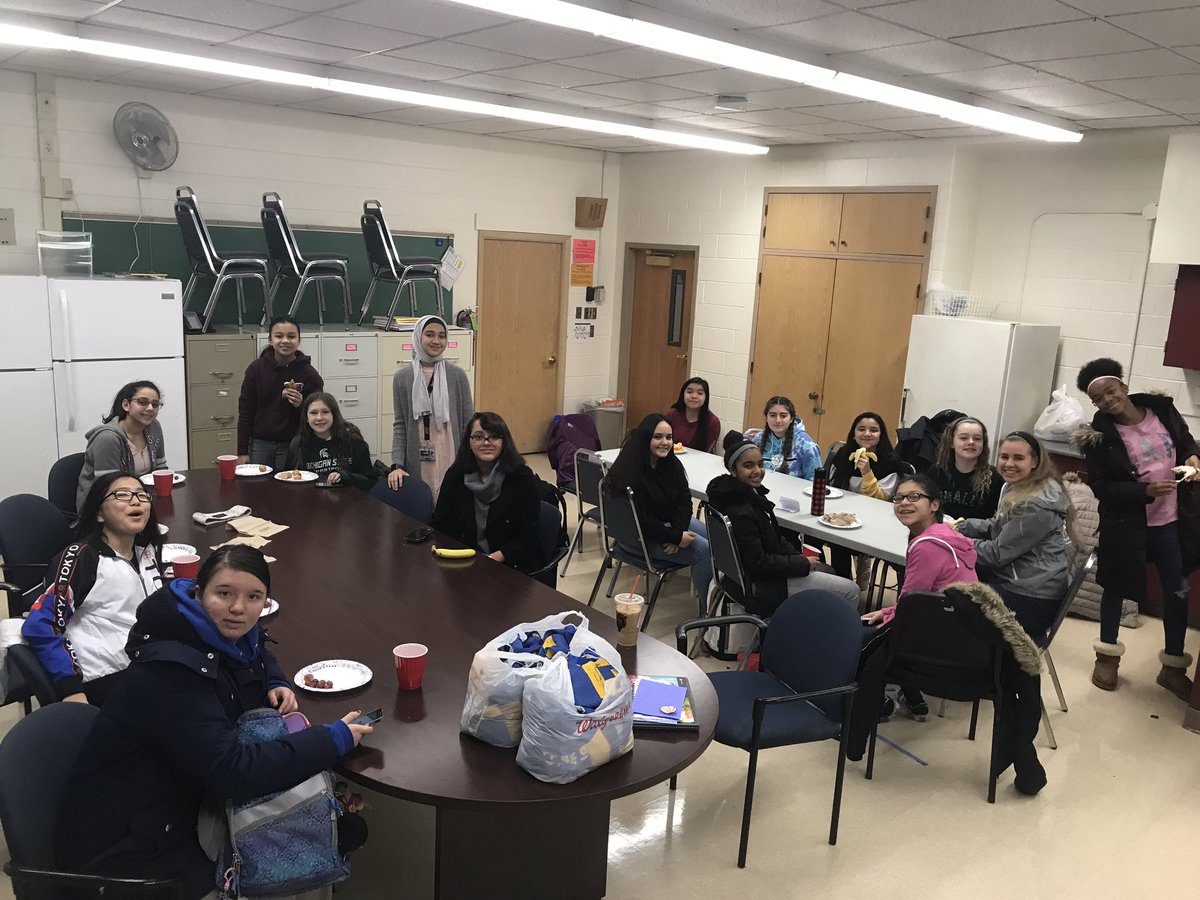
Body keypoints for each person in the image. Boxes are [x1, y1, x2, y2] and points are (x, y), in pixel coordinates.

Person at [56, 546, 374, 899]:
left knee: (328, 830)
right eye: (224, 593)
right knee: (304, 857)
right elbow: (232, 771)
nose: (239, 608)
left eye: (254, 597)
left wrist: (274, 678)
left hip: (186, 799)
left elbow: (256, 648)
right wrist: (329, 741)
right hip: (135, 851)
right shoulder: (169, 672)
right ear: (199, 592)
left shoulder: (209, 635)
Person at [1073, 357, 1200, 699]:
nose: (1107, 400)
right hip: (1126, 524)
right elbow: (1102, 486)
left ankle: (1173, 666)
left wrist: (1192, 456)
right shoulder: (1098, 437)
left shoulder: (1163, 411)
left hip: (1170, 521)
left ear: (1124, 386)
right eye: (1098, 398)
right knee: (1115, 587)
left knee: (1177, 590)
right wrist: (1144, 490)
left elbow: (1186, 440)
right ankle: (1107, 657)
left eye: (1111, 391)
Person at [23, 472, 165, 705]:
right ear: (99, 513)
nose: (135, 501)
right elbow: (41, 624)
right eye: (122, 495)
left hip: (150, 662)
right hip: (107, 675)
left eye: (142, 495)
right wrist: (70, 688)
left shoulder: (146, 552)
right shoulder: (82, 557)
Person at [861, 473, 980, 720]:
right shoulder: (945, 533)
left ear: (934, 505)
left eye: (914, 497)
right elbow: (917, 598)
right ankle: (912, 696)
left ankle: (876, 705)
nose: (904, 503)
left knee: (862, 637)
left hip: (940, 635)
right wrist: (887, 610)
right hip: (961, 627)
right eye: (899, 498)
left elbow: (911, 604)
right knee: (880, 620)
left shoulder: (927, 545)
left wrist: (887, 615)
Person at [705, 432, 860, 616]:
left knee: (827, 570)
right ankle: (834, 632)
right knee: (851, 591)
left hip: (753, 575)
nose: (757, 470)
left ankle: (811, 620)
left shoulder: (746, 494)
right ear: (732, 470)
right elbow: (759, 563)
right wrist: (801, 563)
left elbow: (774, 538)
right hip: (762, 584)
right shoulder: (741, 509)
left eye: (760, 464)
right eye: (748, 466)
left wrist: (798, 557)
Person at [957, 432, 1074, 640]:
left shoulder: (1036, 504)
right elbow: (999, 525)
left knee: (948, 593)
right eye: (1004, 457)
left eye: (1018, 458)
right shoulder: (1024, 486)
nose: (1009, 464)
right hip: (1026, 581)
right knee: (958, 571)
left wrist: (954, 541)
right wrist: (962, 526)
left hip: (1030, 598)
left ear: (1035, 462)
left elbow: (996, 554)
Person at [603, 413, 711, 598]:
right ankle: (706, 610)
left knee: (714, 539)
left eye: (669, 437)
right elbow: (642, 520)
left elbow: (684, 500)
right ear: (645, 438)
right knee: (705, 551)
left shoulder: (670, 463)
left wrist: (677, 532)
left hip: (663, 526)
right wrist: (676, 536)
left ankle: (719, 596)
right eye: (658, 437)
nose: (665, 442)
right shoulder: (630, 470)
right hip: (637, 537)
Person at [431, 412, 545, 573]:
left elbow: (529, 536)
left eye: (494, 437)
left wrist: (491, 559)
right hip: (465, 563)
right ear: (469, 442)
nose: (486, 442)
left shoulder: (522, 478)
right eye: (479, 437)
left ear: (504, 442)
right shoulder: (455, 475)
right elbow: (440, 525)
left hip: (511, 566)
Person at [388, 314, 474, 501]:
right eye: (429, 335)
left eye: (442, 336)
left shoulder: (457, 375)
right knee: (422, 501)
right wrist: (397, 464)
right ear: (417, 337)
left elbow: (469, 422)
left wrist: (470, 460)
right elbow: (400, 425)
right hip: (418, 453)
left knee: (450, 501)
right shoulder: (402, 378)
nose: (436, 341)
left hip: (450, 451)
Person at [826, 412, 904, 585]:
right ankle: (837, 582)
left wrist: (867, 472)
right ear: (853, 434)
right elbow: (832, 487)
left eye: (873, 430)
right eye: (861, 429)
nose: (867, 434)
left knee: (842, 541)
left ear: (881, 435)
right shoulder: (843, 455)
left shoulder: (889, 462)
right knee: (822, 536)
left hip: (875, 518)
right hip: (843, 514)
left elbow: (881, 500)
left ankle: (850, 576)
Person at [237, 315, 324, 469]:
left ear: (299, 340)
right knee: (259, 483)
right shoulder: (256, 369)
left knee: (290, 483)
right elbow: (246, 411)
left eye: (291, 336)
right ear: (270, 339)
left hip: (293, 443)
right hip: (260, 443)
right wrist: (242, 451)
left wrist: (301, 405)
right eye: (279, 336)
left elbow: (319, 416)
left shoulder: (309, 374)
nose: (285, 341)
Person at [76, 381, 167, 514]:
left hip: (140, 499)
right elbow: (107, 487)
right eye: (142, 402)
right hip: (102, 508)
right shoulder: (108, 438)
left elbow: (160, 468)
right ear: (126, 405)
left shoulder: (154, 427)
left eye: (155, 404)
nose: (150, 408)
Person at [286, 392, 378, 490]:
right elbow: (287, 480)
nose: (319, 418)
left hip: (347, 497)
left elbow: (370, 481)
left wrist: (345, 476)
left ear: (334, 415)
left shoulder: (353, 440)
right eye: (313, 413)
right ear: (307, 418)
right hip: (310, 497)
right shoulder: (298, 443)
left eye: (325, 412)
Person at [929, 416, 1004, 521]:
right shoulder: (936, 472)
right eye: (963, 438)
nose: (971, 442)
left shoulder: (996, 478)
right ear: (951, 443)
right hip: (940, 529)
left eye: (977, 439)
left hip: (977, 531)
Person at [742, 395, 822, 480]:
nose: (778, 420)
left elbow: (814, 481)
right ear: (766, 418)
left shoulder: (807, 446)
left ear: (791, 419)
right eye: (773, 415)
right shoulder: (755, 440)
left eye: (783, 416)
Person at [664, 377, 720, 453]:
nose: (694, 396)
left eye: (700, 393)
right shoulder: (671, 415)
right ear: (683, 394)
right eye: (689, 392)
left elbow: (708, 451)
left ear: (706, 397)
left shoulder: (713, 422)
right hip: (672, 457)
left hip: (700, 459)